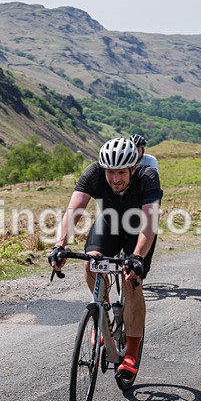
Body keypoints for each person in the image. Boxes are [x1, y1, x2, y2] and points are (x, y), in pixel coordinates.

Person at [49, 137, 162, 380]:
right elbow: (73, 211)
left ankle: (131, 352)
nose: (115, 179)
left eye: (121, 172)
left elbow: (150, 224)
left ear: (133, 168)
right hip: (109, 224)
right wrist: (59, 245)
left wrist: (137, 256)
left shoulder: (148, 176)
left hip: (138, 230)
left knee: (132, 281)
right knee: (91, 262)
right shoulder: (93, 173)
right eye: (110, 172)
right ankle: (104, 314)